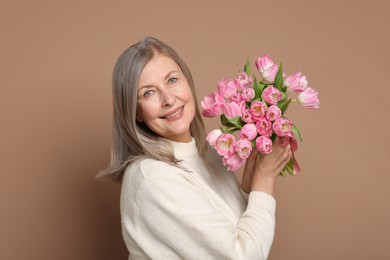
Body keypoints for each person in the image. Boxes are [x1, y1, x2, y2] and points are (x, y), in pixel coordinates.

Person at [98, 37, 292, 259]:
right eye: (148, 93)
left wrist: (248, 187)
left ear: (187, 81)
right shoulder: (153, 178)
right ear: (135, 111)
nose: (168, 99)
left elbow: (233, 234)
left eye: (172, 80)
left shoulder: (207, 153)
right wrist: (265, 178)